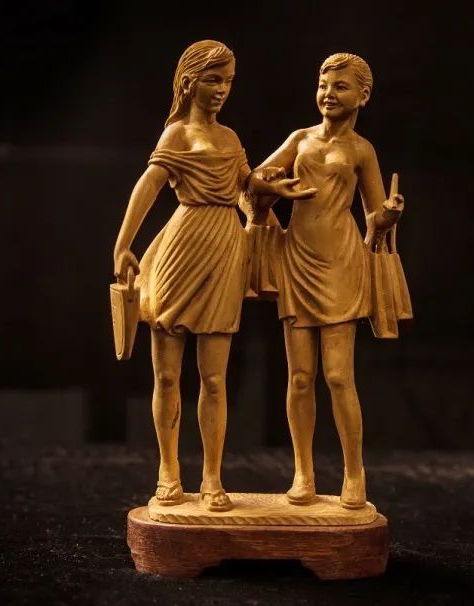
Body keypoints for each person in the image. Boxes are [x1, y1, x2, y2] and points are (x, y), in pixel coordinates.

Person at [112, 40, 314, 511]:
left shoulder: (229, 136)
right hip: (181, 249)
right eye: (212, 79)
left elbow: (245, 185)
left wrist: (267, 185)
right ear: (188, 82)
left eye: (228, 81)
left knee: (216, 379)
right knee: (167, 377)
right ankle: (168, 472)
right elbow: (148, 186)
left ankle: (211, 477)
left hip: (225, 250)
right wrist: (123, 244)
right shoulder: (176, 135)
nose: (222, 89)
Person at [253, 53, 406, 509]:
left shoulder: (361, 150)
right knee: (300, 377)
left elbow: (373, 215)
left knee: (338, 376)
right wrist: (272, 186)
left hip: (341, 262)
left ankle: (354, 472)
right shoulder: (300, 139)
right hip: (297, 259)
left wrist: (389, 215)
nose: (328, 94)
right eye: (323, 85)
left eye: (340, 86)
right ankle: (303, 472)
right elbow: (254, 179)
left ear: (363, 95)